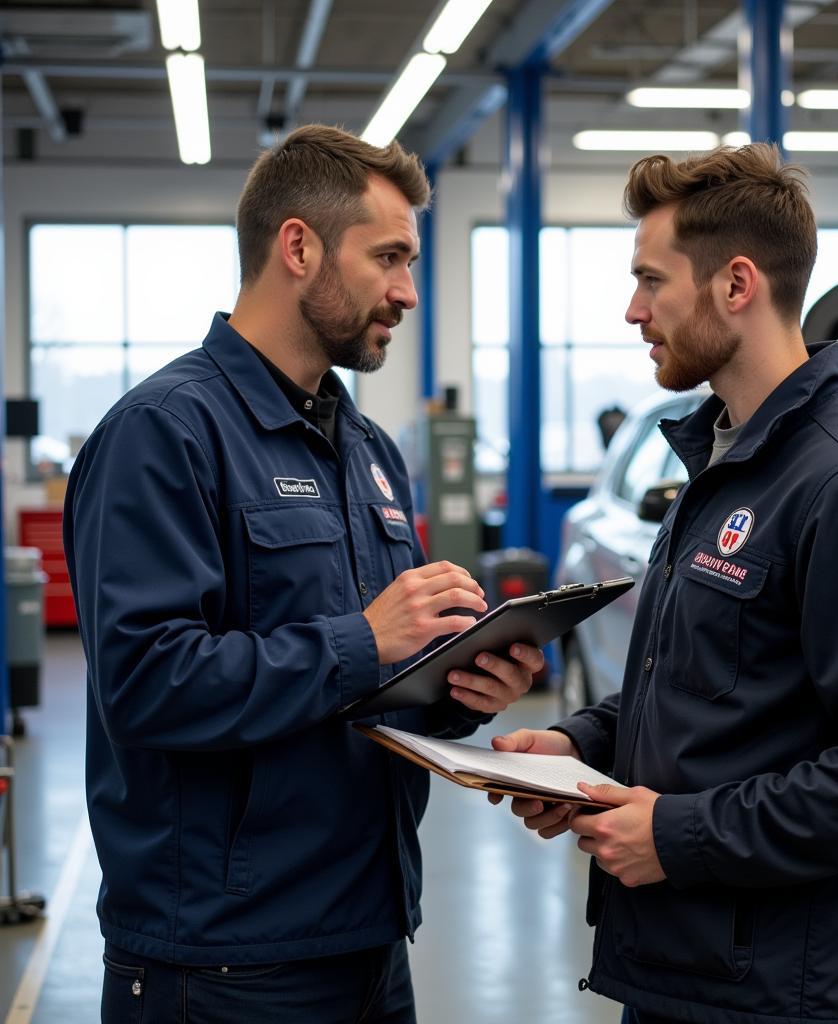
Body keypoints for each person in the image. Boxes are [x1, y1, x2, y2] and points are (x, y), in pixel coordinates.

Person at [64, 124, 543, 1024]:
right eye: (389, 257)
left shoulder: (365, 450)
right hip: (222, 966)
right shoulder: (164, 434)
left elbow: (372, 687)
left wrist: (463, 686)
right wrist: (363, 639)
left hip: (368, 941)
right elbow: (144, 683)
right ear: (298, 246)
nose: (407, 290)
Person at [491, 143, 838, 1024]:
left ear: (736, 284)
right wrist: (579, 748)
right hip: (685, 972)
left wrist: (674, 836)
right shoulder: (723, 463)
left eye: (651, 280)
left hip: (786, 996)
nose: (633, 310)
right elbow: (715, 691)